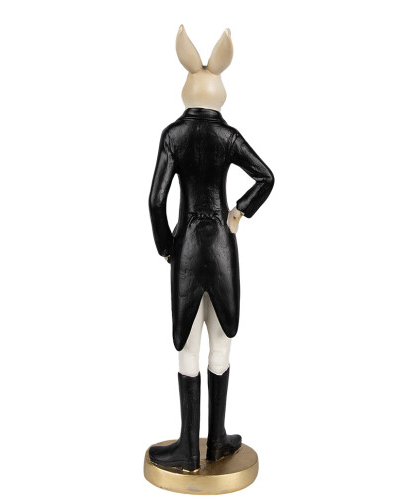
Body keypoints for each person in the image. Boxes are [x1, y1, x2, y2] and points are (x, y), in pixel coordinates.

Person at [148, 26, 274, 472]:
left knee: (188, 346)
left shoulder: (174, 135)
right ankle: (216, 440)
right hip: (222, 246)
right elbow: (266, 177)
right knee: (221, 342)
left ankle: (188, 448)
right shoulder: (228, 136)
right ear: (220, 89)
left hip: (187, 248)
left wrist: (168, 247)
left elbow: (156, 200)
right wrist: (237, 212)